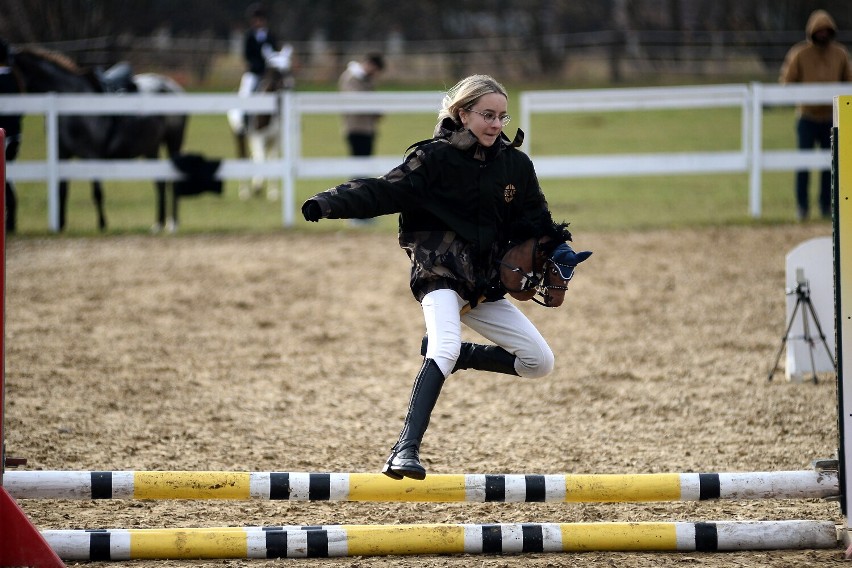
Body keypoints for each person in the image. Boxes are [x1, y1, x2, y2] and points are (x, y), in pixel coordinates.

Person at [301, 75, 591, 480]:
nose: (496, 124)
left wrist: (559, 249)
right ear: (462, 114)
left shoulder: (516, 165)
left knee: (539, 362)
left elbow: (537, 221)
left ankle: (460, 357)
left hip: (485, 283)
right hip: (440, 271)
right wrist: (328, 202)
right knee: (444, 345)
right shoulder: (432, 159)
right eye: (487, 115)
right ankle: (403, 450)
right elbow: (383, 192)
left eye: (502, 116)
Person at [780, 9, 852, 221]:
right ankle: (802, 206)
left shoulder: (840, 54)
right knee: (803, 164)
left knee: (829, 167)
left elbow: (848, 80)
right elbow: (786, 81)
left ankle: (825, 206)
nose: (822, 35)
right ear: (812, 32)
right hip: (807, 117)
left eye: (825, 30)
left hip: (831, 117)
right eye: (818, 31)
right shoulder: (800, 53)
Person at [339, 53, 385, 157]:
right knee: (359, 160)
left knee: (366, 160)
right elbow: (353, 99)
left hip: (367, 127)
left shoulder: (366, 79)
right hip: (355, 127)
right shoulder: (351, 78)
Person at [0, 39, 22, 232]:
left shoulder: (5, 78)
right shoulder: (14, 78)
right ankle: (11, 221)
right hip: (14, 137)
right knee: (6, 179)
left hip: (5, 139)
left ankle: (10, 222)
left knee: (4, 179)